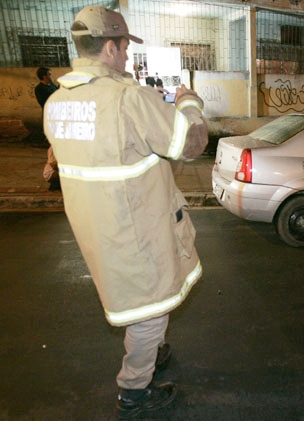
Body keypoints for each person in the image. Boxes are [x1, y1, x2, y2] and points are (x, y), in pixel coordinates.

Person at [42, 5, 208, 419]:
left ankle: (152, 349)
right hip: (136, 231)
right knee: (149, 308)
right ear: (111, 47)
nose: (128, 56)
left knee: (141, 303)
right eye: (125, 48)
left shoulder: (57, 102)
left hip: (101, 230)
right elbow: (190, 143)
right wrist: (189, 101)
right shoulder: (128, 99)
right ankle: (134, 390)